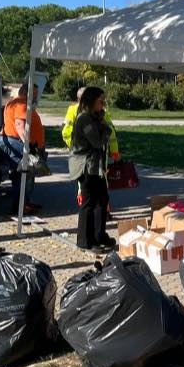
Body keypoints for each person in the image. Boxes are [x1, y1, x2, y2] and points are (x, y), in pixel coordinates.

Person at [70, 86, 114, 253]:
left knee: (102, 200)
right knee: (89, 203)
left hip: (97, 167)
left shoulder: (94, 117)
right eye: (100, 101)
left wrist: (102, 123)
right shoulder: (84, 119)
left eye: (104, 101)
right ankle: (84, 240)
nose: (103, 105)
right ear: (91, 101)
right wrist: (106, 129)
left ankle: (99, 235)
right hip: (86, 167)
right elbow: (97, 141)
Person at [0, 81, 45, 214]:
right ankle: (20, 206)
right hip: (16, 141)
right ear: (25, 91)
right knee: (23, 173)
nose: (36, 97)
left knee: (24, 173)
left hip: (13, 140)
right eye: (34, 94)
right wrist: (28, 147)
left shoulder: (14, 102)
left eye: (37, 94)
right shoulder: (21, 104)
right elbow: (19, 125)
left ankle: (24, 203)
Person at [61, 87, 120, 160]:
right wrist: (78, 147)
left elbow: (111, 133)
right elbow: (66, 133)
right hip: (84, 158)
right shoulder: (78, 114)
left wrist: (114, 152)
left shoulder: (100, 112)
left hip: (96, 157)